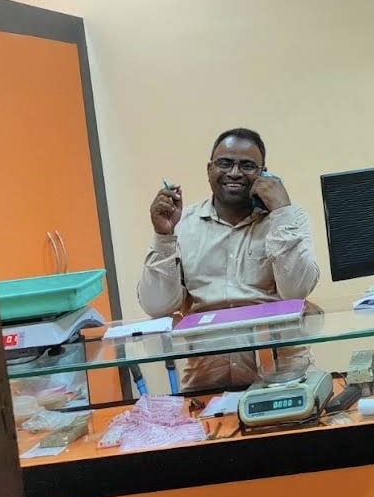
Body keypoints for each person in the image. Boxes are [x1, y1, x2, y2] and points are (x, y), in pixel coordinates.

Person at [137, 127, 319, 391]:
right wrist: (163, 236)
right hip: (205, 381)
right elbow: (157, 306)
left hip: (283, 376)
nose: (234, 173)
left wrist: (281, 212)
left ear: (264, 173)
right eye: (225, 163)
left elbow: (296, 290)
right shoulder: (183, 225)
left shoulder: (288, 219)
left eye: (247, 166)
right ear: (209, 169)